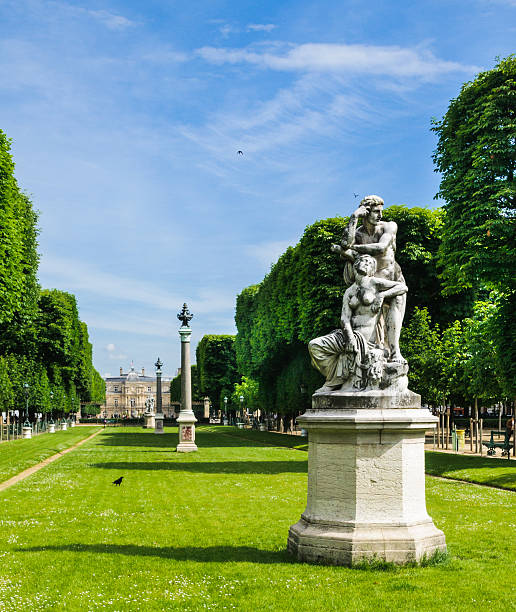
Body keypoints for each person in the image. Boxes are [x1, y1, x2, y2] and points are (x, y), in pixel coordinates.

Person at [309, 254, 407, 392]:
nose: (366, 263)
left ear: (372, 270)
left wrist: (382, 295)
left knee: (399, 297)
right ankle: (335, 378)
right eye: (363, 261)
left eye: (369, 263)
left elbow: (402, 288)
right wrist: (350, 338)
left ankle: (337, 380)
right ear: (356, 265)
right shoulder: (349, 291)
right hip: (349, 334)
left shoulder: (374, 283)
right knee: (314, 346)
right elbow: (344, 318)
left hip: (366, 338)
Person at [332, 195, 406, 363]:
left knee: (396, 301)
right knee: (372, 328)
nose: (379, 215)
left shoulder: (389, 226)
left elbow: (381, 247)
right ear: (366, 213)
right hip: (369, 284)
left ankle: (396, 353)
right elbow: (345, 243)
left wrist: (352, 248)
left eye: (381, 211)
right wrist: (354, 217)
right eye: (375, 212)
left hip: (391, 281)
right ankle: (369, 354)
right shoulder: (358, 233)